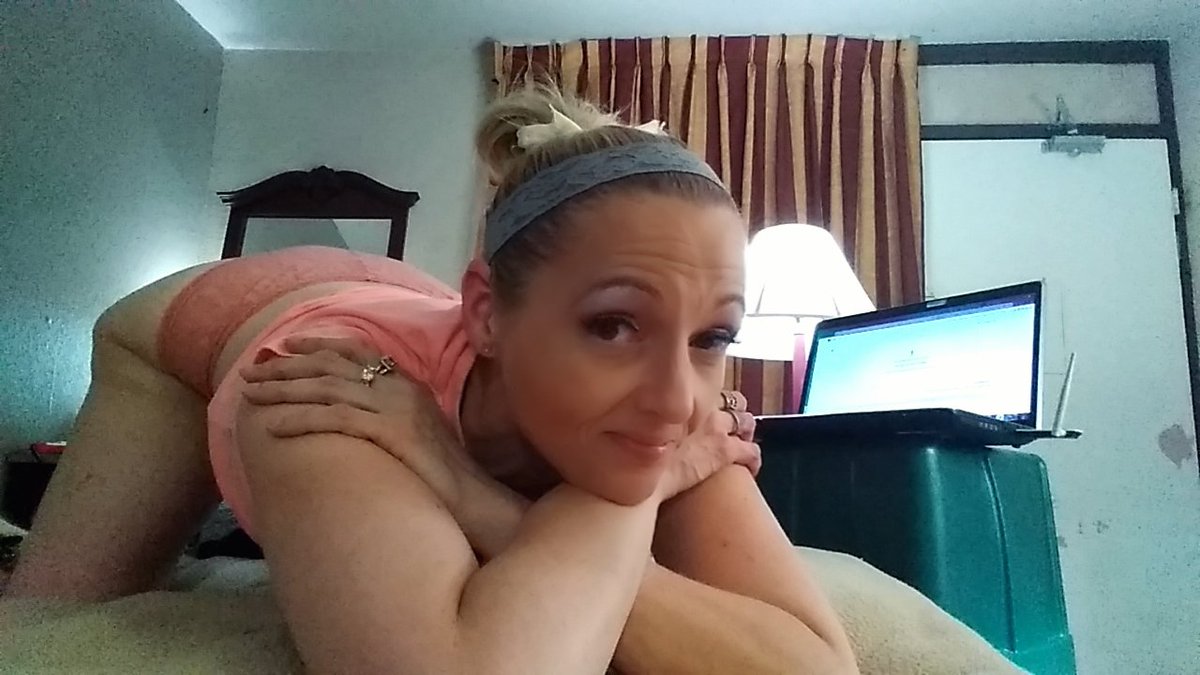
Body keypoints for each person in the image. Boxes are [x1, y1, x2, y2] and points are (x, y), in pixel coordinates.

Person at [7, 85, 858, 674]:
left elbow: (819, 666)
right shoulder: (329, 384)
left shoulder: (678, 413)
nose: (675, 401)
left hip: (428, 316)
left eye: (713, 336)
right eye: (612, 324)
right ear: (487, 314)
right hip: (208, 331)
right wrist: (632, 495)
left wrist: (471, 491)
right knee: (52, 615)